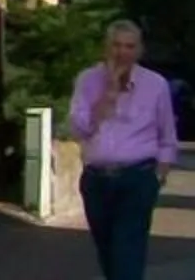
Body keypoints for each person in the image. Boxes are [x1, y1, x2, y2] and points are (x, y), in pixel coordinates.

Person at [70, 19, 178, 280]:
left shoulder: (156, 85)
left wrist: (159, 174)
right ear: (106, 48)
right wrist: (108, 94)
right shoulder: (88, 80)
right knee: (107, 251)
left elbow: (167, 135)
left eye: (129, 46)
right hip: (97, 179)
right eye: (116, 46)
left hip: (137, 178)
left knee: (127, 250)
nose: (122, 53)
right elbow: (79, 129)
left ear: (139, 50)